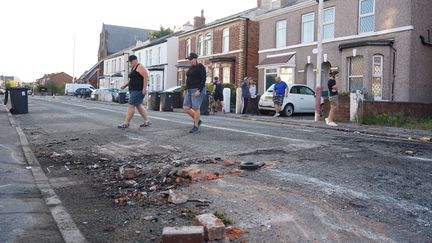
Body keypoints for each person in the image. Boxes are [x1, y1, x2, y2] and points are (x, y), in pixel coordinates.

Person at [117, 55, 151, 129]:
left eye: (130, 62)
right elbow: (131, 80)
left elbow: (145, 77)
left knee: (131, 105)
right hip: (134, 90)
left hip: (138, 90)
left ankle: (126, 123)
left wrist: (144, 89)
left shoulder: (140, 67)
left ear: (133, 61)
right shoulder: (133, 68)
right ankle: (147, 121)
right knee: (138, 106)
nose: (130, 63)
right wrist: (125, 85)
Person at [183, 53, 207, 133]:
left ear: (195, 59)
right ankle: (198, 120)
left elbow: (203, 80)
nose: (189, 61)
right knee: (186, 108)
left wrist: (199, 90)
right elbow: (188, 80)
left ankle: (196, 126)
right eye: (188, 59)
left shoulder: (200, 67)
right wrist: (185, 89)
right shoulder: (191, 68)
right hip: (189, 90)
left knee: (196, 108)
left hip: (196, 89)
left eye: (190, 59)